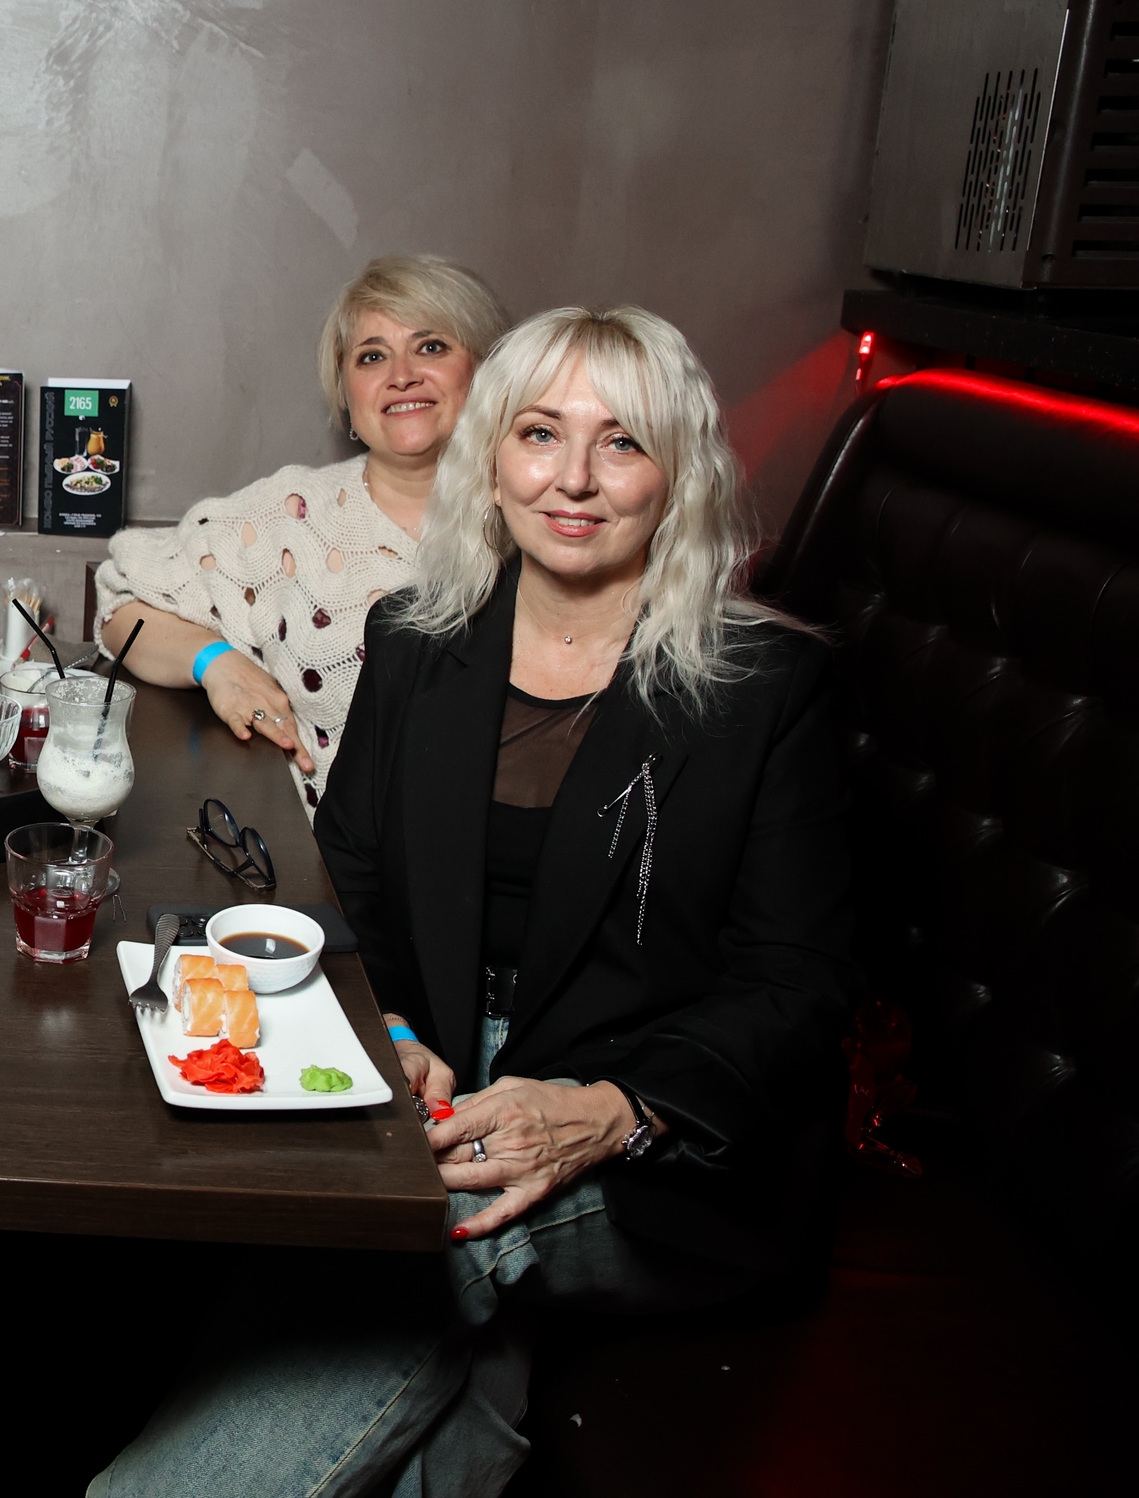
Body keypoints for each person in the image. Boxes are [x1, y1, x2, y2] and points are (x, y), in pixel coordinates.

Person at [90, 307, 859, 1498]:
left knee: (424, 1237)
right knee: (385, 1283)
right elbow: (348, 875)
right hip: (436, 1081)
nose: (573, 478)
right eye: (540, 434)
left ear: (678, 476)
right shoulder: (414, 642)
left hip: (657, 1137)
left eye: (621, 442)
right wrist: (389, 1028)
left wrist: (606, 1113)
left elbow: (795, 985)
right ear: (491, 457)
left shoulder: (768, 685)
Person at [94, 256, 508, 814]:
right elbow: (122, 608)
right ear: (346, 392)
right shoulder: (290, 516)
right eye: (372, 356)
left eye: (431, 347)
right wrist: (215, 663)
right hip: (315, 858)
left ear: (485, 371)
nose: (402, 374)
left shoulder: (546, 519)